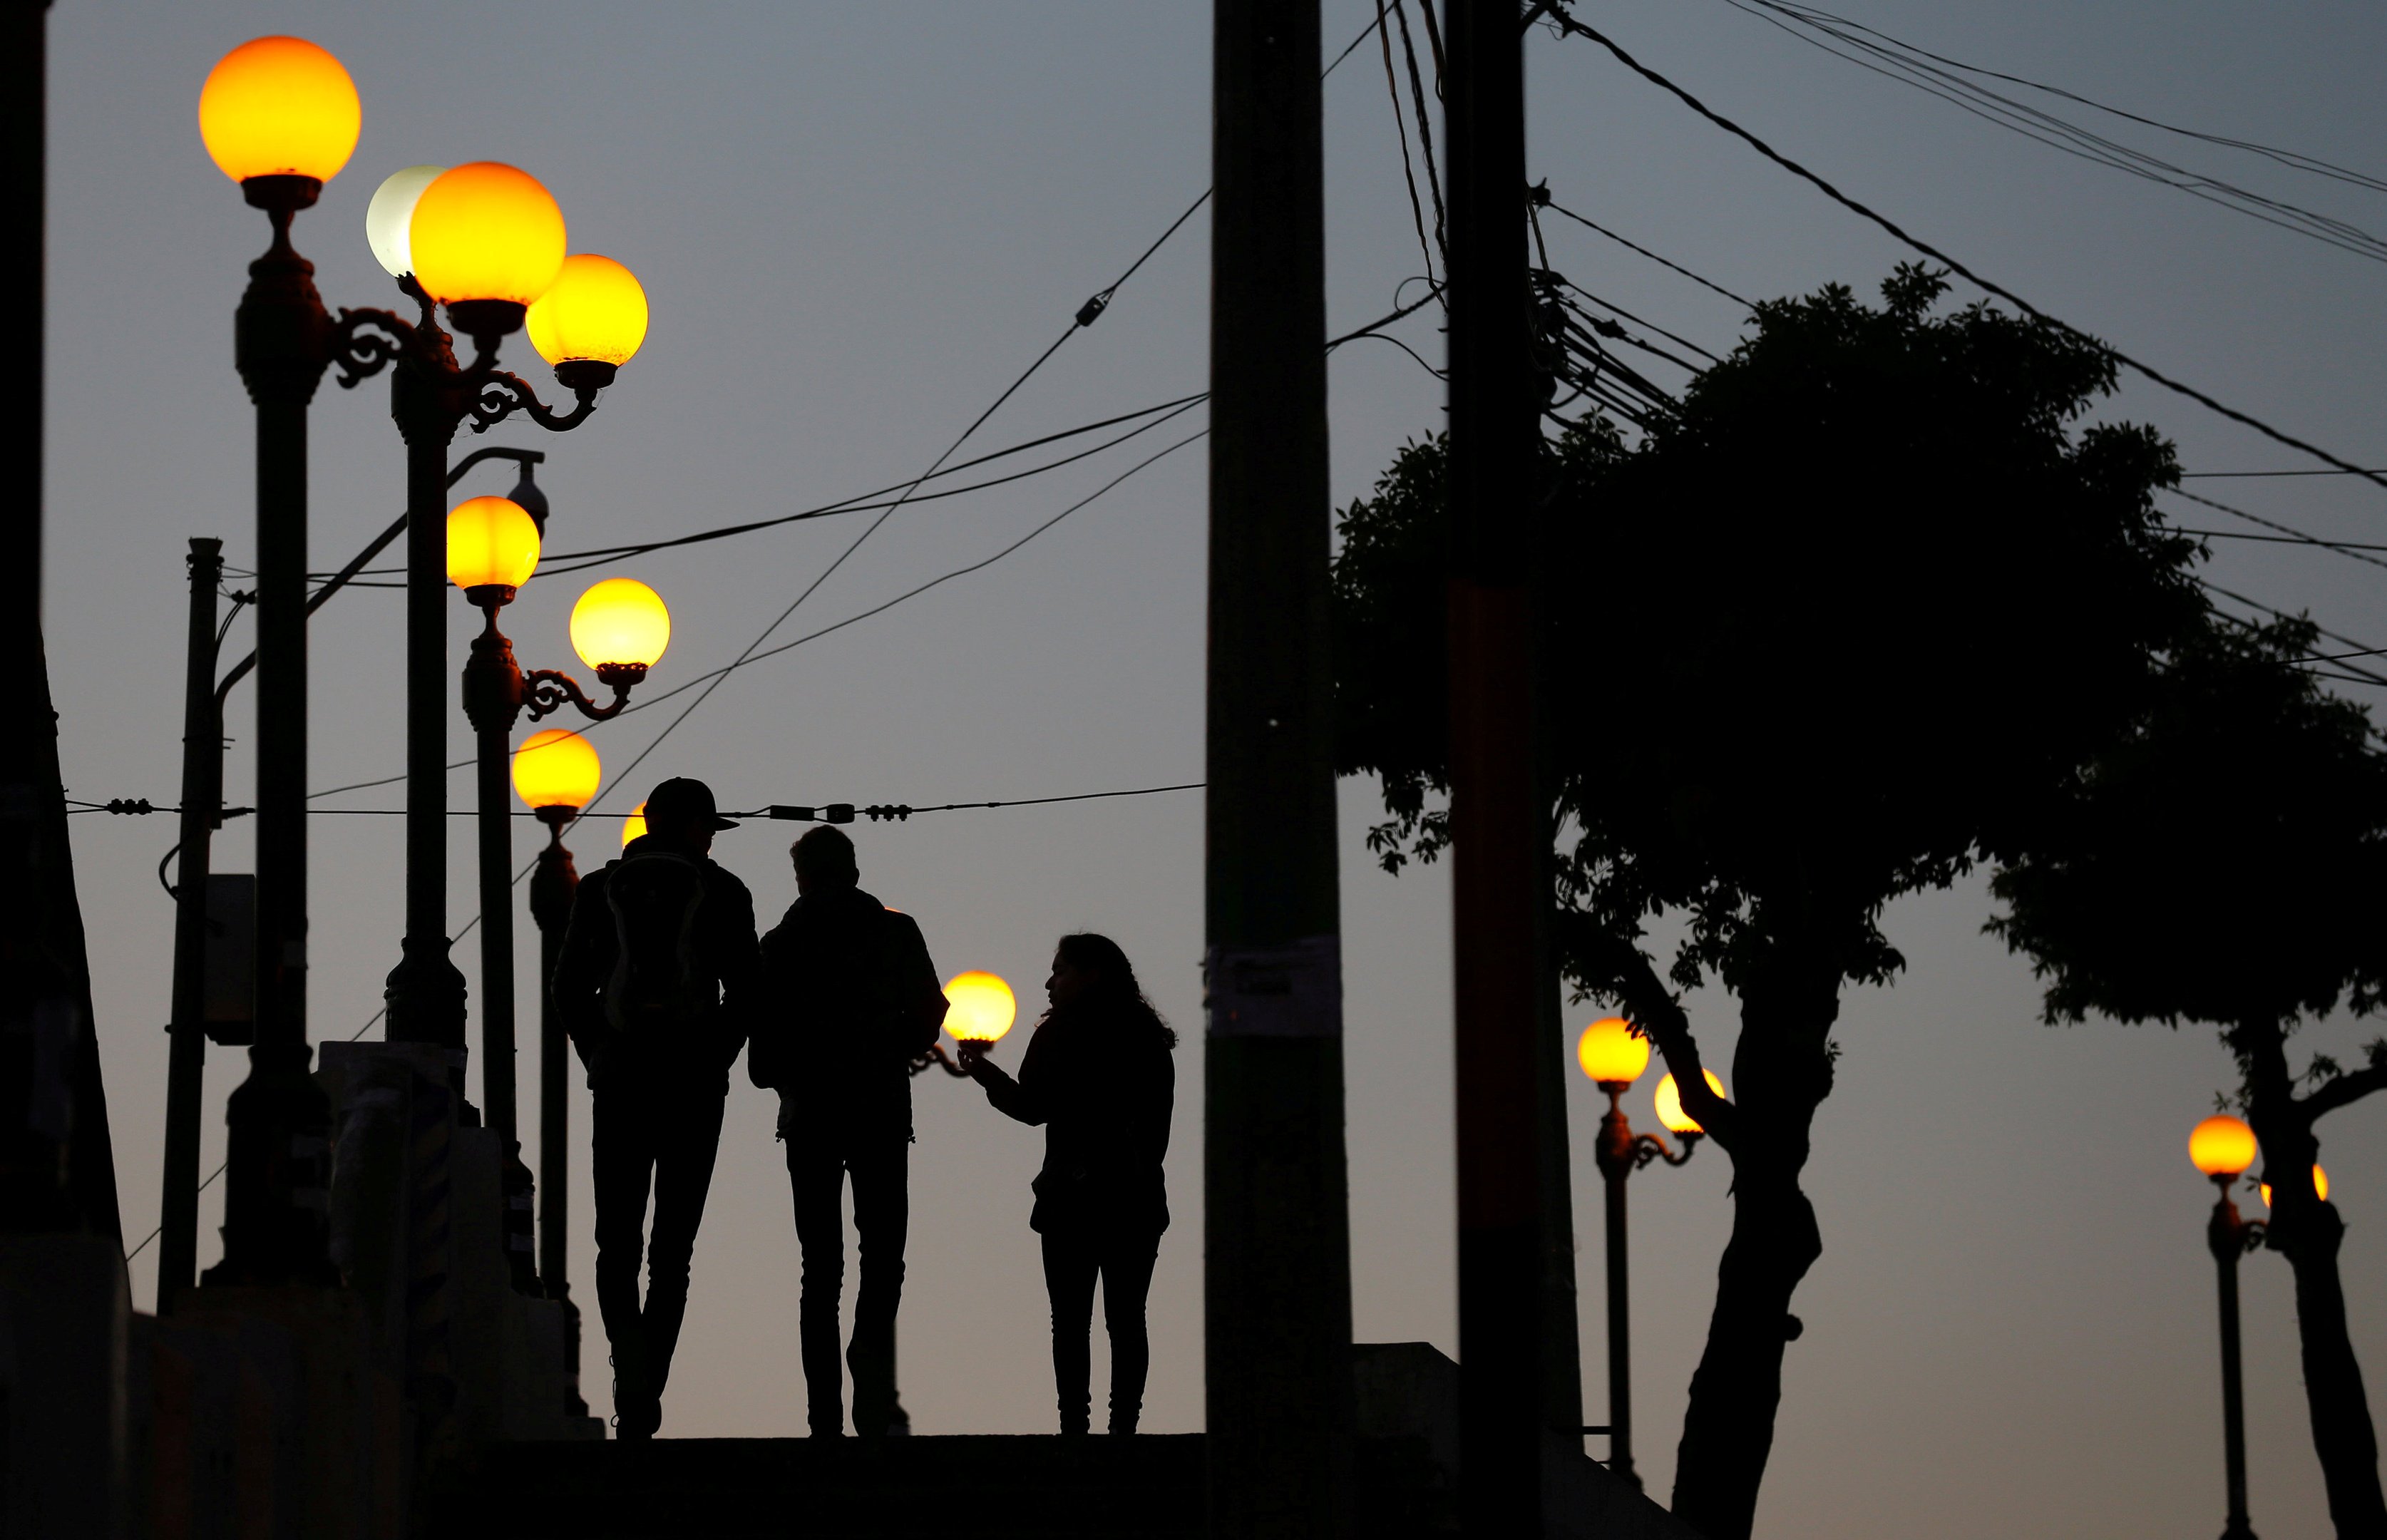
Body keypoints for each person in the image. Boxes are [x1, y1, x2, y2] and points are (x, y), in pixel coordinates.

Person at [552, 776, 759, 1440]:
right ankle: (650, 1384)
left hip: (622, 1081)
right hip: (694, 1086)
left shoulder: (598, 888)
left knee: (616, 1240)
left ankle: (627, 1367)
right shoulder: (725, 891)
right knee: (673, 1249)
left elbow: (568, 989)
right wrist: (715, 1057)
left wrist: (598, 1056)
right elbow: (748, 992)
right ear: (695, 825)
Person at [749, 826, 947, 1439]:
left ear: (802, 877)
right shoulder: (896, 931)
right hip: (880, 1110)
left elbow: (762, 1060)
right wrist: (897, 1046)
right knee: (882, 1254)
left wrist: (790, 1073)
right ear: (854, 872)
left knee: (820, 1266)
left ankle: (823, 1414)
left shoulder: (779, 944)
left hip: (809, 1114)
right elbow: (932, 1010)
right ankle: (869, 1378)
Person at [960, 933, 1175, 1437]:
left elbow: (1033, 1108)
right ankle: (1124, 1429)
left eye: (1060, 970)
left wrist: (987, 1077)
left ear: (1091, 974)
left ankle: (1074, 1430)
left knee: (1072, 1321)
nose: (1049, 982)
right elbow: (1156, 1127)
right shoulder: (1147, 1038)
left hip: (1072, 1198)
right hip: (1134, 1196)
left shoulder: (1059, 1035)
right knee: (1126, 1319)